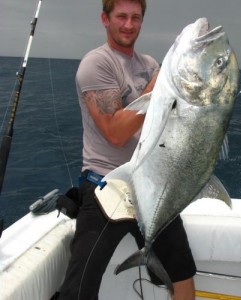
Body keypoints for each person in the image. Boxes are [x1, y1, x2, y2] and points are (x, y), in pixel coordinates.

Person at [58, 0, 196, 299]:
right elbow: (116, 133)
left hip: (153, 186)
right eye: (121, 16)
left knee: (183, 274)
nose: (129, 25)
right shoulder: (97, 63)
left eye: (135, 17)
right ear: (105, 19)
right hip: (106, 185)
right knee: (78, 289)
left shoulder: (149, 65)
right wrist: (158, 88)